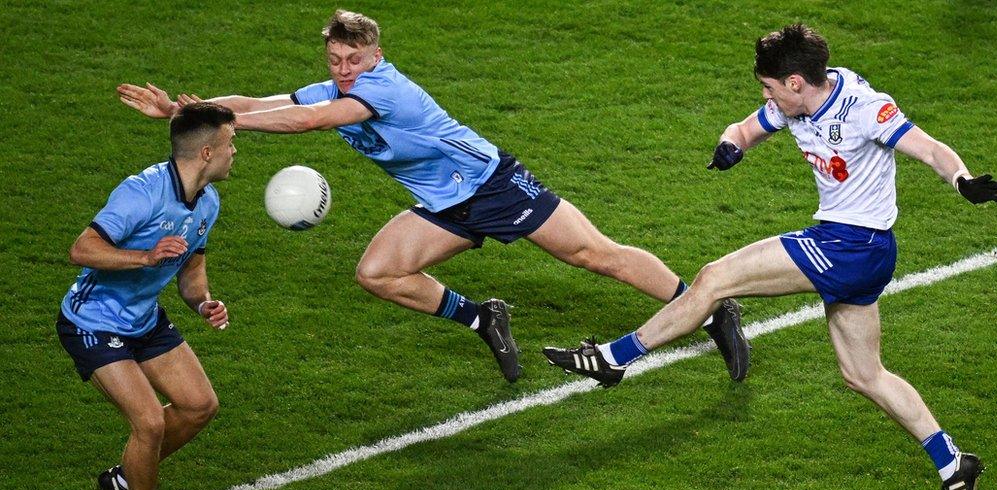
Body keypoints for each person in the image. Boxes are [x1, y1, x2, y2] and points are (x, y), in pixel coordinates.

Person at [114, 9, 750, 384]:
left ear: (376, 55)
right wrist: (190, 109)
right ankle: (482, 317)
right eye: (335, 58)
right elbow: (270, 103)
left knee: (594, 256)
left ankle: (709, 307)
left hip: (492, 185)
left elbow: (307, 122)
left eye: (353, 57)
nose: (342, 68)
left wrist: (227, 126)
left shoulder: (382, 88)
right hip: (444, 204)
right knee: (379, 272)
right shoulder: (334, 84)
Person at [543, 24, 997, 490]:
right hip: (858, 250)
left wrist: (961, 179)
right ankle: (951, 462)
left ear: (793, 82)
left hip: (851, 246)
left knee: (715, 279)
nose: (764, 96)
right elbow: (744, 129)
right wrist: (730, 145)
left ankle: (612, 359)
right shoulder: (798, 103)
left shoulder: (863, 107)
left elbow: (931, 149)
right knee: (864, 375)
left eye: (768, 87)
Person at [56, 102, 238, 490]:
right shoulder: (142, 192)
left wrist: (204, 303)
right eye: (230, 142)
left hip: (143, 318)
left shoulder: (208, 202)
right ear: (205, 152)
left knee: (200, 406)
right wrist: (145, 257)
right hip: (93, 322)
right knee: (150, 423)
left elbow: (191, 273)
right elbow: (83, 248)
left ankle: (124, 478)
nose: (235, 151)